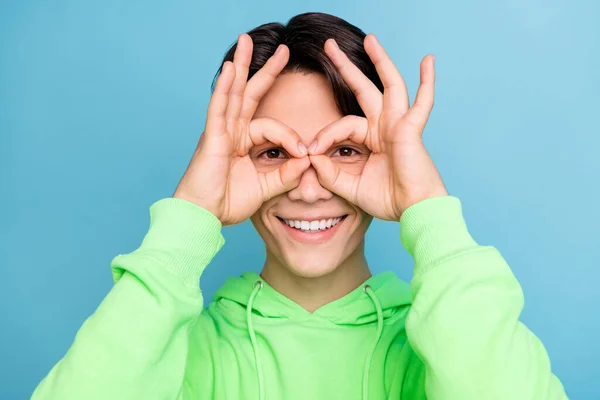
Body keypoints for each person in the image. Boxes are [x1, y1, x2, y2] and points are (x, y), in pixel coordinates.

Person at [32, 12, 568, 400]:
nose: (309, 188)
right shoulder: (180, 352)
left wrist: (428, 207)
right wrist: (191, 211)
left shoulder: (436, 343)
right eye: (272, 152)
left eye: (345, 150)